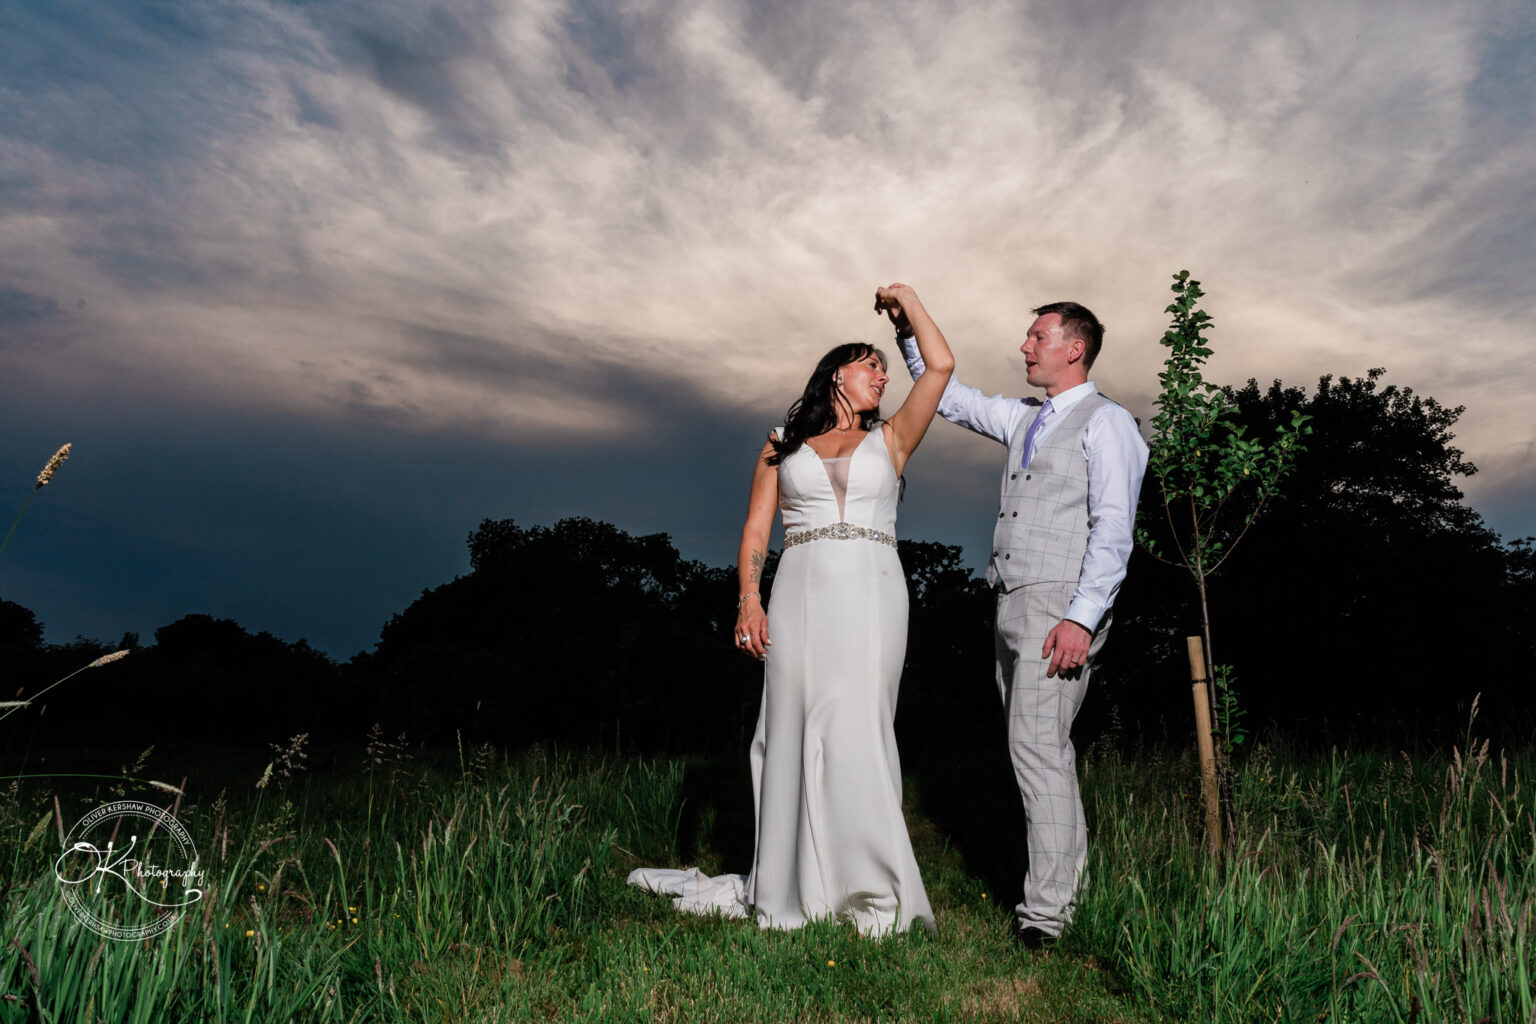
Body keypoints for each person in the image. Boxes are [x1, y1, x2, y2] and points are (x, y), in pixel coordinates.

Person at [629, 283, 954, 937]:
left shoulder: (892, 439)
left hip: (872, 586)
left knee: (859, 725)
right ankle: (791, 881)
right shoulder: (782, 444)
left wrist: (907, 305)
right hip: (799, 586)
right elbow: (755, 532)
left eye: (886, 370)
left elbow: (941, 365)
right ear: (837, 372)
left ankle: (870, 885)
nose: (883, 376)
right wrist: (749, 602)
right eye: (872, 365)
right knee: (790, 727)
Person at [889, 298, 1147, 949]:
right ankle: (1057, 899)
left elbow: (1114, 533)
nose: (1024, 346)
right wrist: (907, 331)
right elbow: (950, 399)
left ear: (1073, 348)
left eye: (1037, 336)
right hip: (1011, 602)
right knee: (1031, 749)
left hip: (1059, 608)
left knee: (1040, 752)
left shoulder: (1108, 422)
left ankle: (1049, 917)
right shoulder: (1026, 418)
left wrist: (1081, 621)